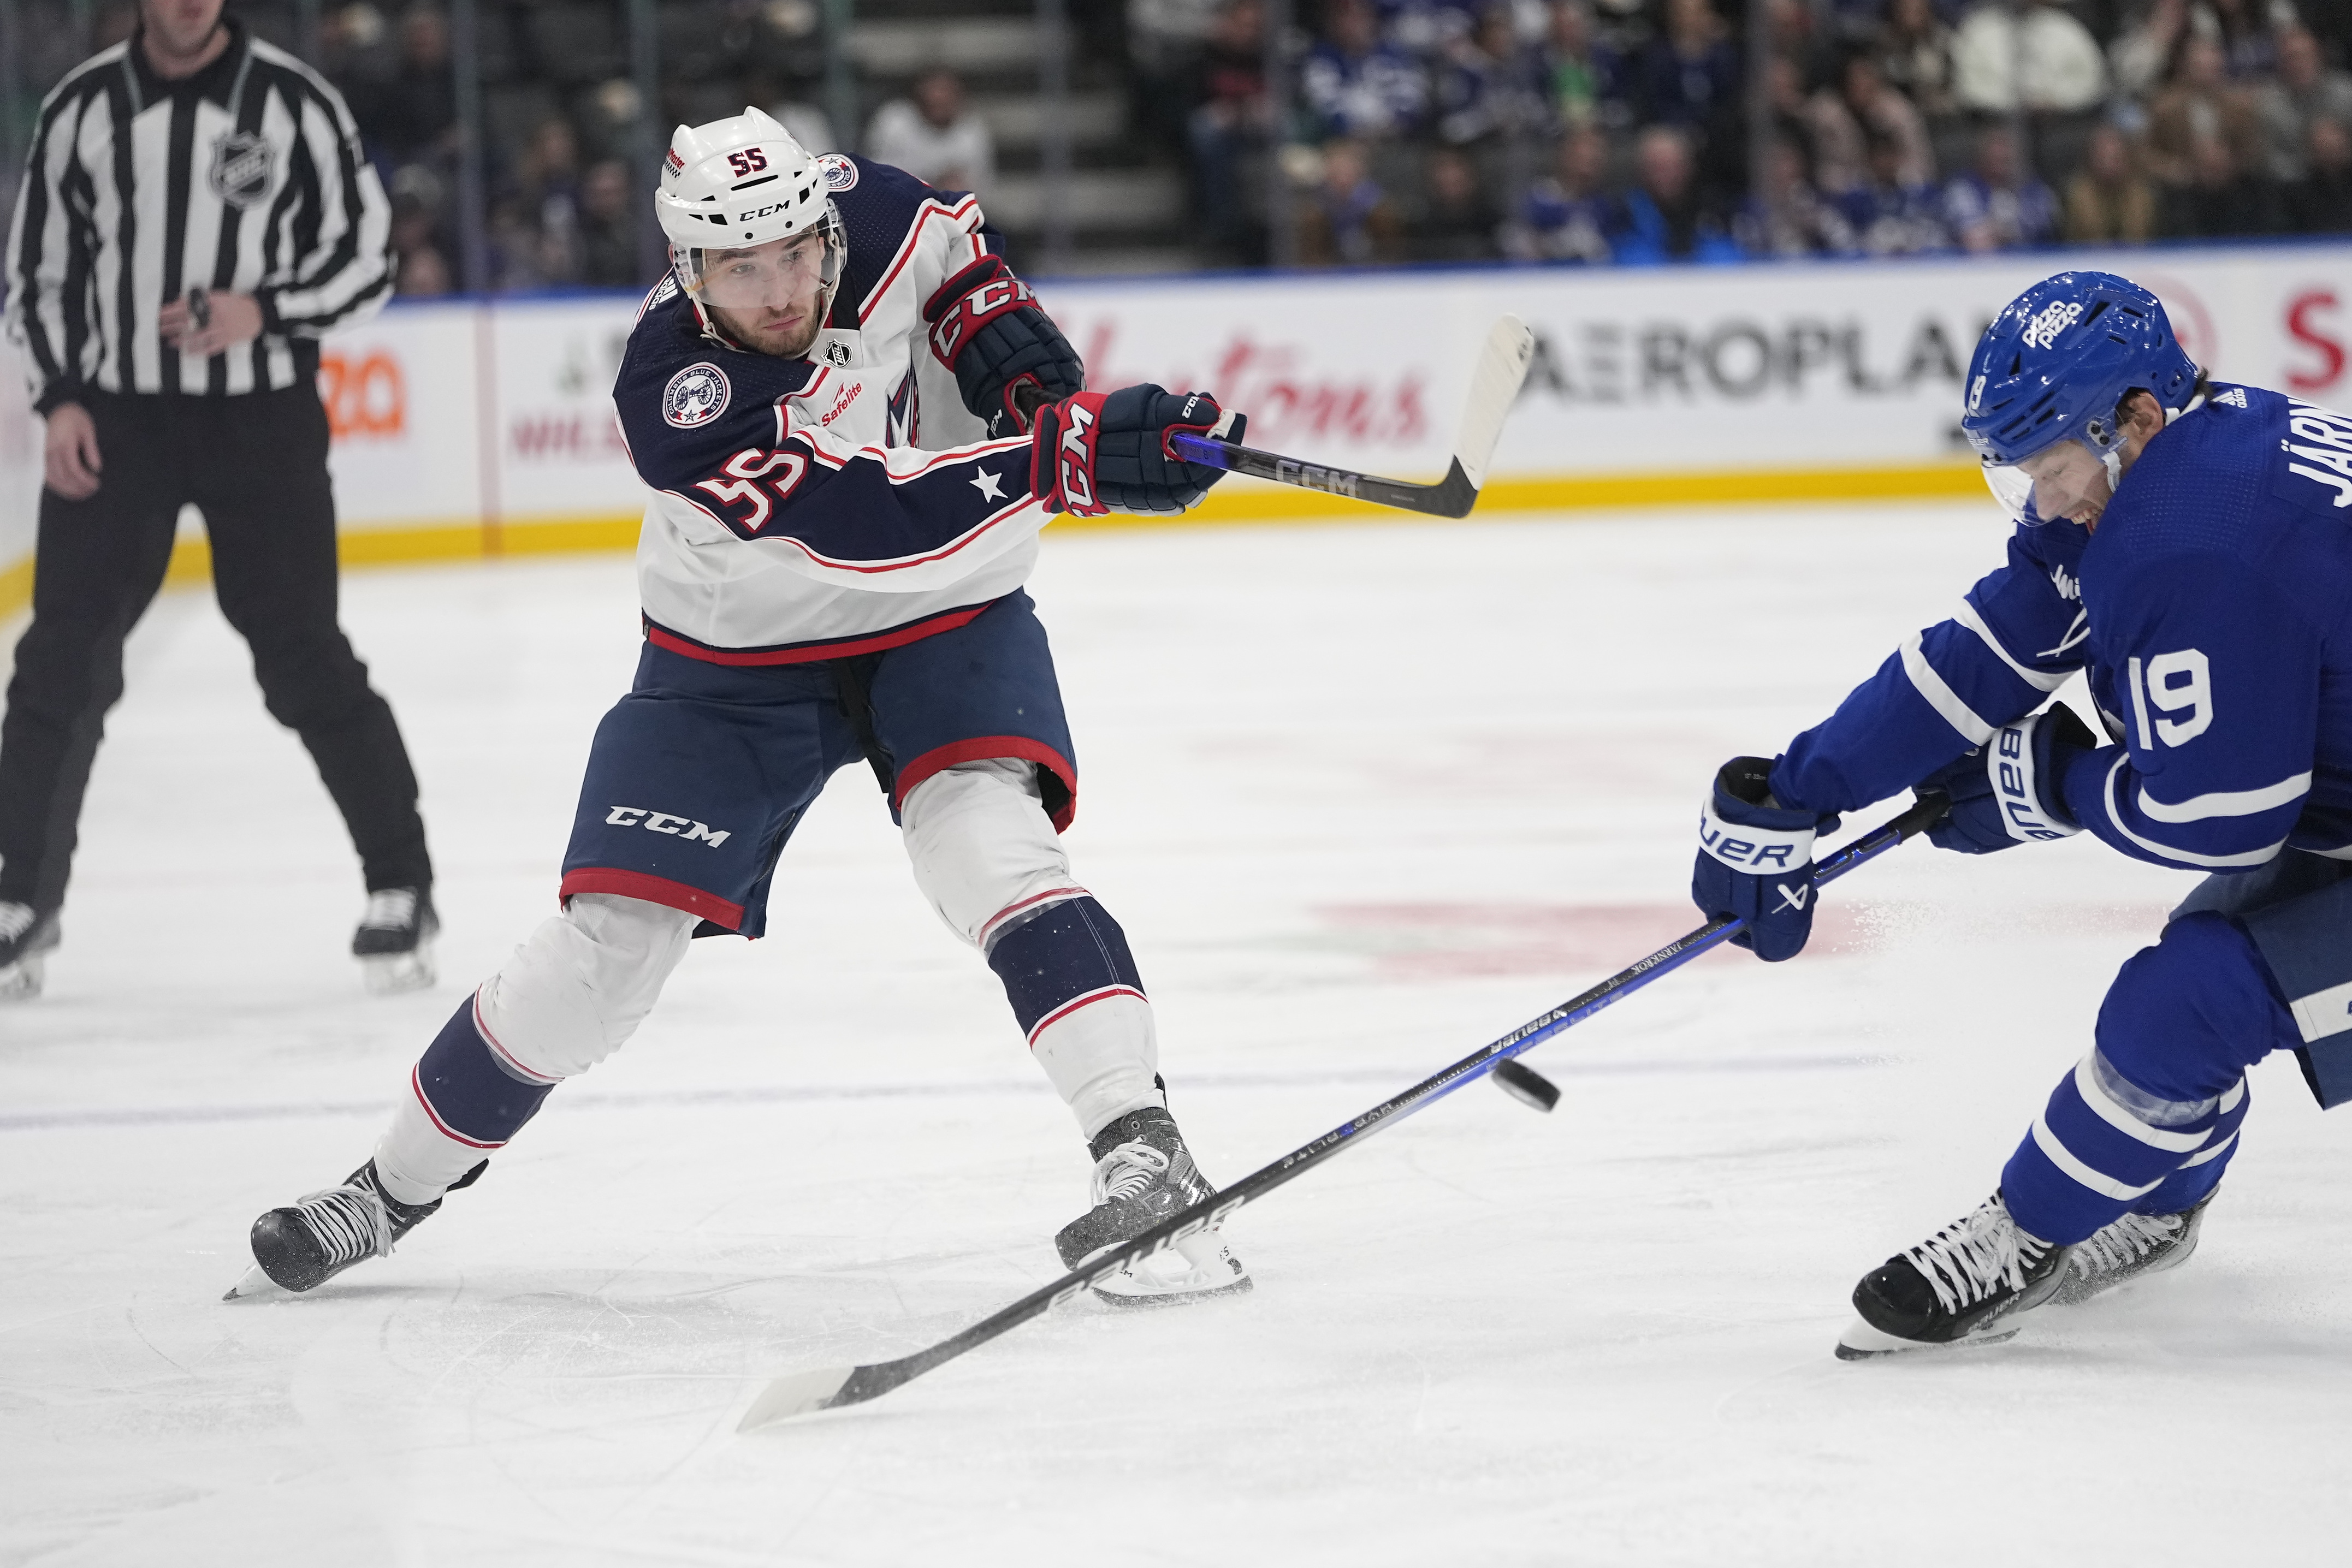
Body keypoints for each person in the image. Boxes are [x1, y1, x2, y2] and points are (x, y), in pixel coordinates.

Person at [228, 109, 1254, 1306]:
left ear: (827, 226)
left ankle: (1144, 1148)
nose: (778, 292)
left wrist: (1042, 392)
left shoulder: (882, 212)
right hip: (738, 654)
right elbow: (861, 518)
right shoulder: (676, 390)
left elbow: (971, 288)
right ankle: (385, 1190)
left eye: (797, 256)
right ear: (688, 268)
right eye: (740, 269)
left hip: (946, 615)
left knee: (988, 846)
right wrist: (1054, 461)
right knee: (604, 954)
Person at [1690, 270, 2352, 1357]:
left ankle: (2027, 1233)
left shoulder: (2191, 531)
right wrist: (1800, 785)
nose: (2043, 504)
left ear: (2133, 419)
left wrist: (2052, 787)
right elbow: (1999, 640)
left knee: (2189, 999)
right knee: (2205, 964)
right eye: (2023, 476)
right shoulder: (2194, 450)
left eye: (2050, 469)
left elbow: (2222, 820)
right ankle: (2148, 1206)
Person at [0, 0, 436, 999]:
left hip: (260, 422)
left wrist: (264, 310)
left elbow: (366, 261)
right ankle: (19, 897)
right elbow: (39, 273)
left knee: (302, 655)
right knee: (60, 658)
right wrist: (60, 398)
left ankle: (400, 880)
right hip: (116, 422)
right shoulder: (80, 109)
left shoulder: (296, 104)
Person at [864, 68, 995, 195]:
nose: (939, 97)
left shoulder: (971, 132)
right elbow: (877, 173)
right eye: (933, 95)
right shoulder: (895, 122)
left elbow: (980, 185)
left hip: (945, 206)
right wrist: (931, 182)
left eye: (945, 94)